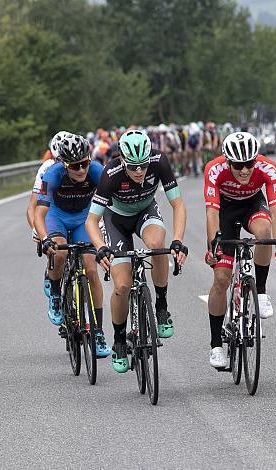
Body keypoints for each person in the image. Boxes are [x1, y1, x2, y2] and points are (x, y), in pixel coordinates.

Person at [85, 130, 188, 373]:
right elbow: (91, 221)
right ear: (122, 161)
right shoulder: (111, 174)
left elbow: (178, 205)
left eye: (142, 165)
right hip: (116, 220)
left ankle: (161, 307)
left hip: (145, 212)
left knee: (157, 245)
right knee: (121, 286)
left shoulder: (159, 161)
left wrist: (177, 240)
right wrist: (100, 248)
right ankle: (119, 341)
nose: (139, 171)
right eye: (133, 167)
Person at [203, 132, 276, 368]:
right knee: (221, 279)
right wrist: (213, 246)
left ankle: (261, 291)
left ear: (256, 160)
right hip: (225, 211)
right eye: (237, 165)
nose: (244, 170)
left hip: (253, 204)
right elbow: (212, 213)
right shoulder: (214, 170)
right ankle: (215, 345)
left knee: (263, 231)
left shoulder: (268, 168)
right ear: (227, 161)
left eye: (249, 164)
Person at [34, 133, 111, 358]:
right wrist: (44, 238)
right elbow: (40, 214)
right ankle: (56, 294)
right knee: (58, 252)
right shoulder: (53, 174)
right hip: (56, 215)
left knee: (92, 270)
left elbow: (113, 206)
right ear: (63, 164)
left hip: (83, 217)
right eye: (75, 166)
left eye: (84, 163)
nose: (81, 170)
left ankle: (97, 332)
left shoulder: (97, 171)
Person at [26, 131, 69, 296]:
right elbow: (32, 207)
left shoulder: (80, 166)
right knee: (56, 250)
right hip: (53, 211)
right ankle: (54, 284)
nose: (64, 166)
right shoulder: (47, 168)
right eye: (60, 161)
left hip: (75, 211)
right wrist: (36, 229)